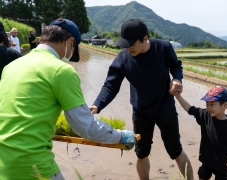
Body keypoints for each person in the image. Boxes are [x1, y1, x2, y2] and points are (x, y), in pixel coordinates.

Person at [0, 18, 135, 180]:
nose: (70, 57)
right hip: (33, 166)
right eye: (73, 49)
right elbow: (86, 127)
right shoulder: (61, 71)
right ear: (70, 42)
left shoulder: (12, 66)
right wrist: (121, 136)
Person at [90, 18, 194, 180]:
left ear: (145, 39)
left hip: (165, 108)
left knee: (175, 150)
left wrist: (177, 79)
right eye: (125, 44)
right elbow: (111, 85)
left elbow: (176, 65)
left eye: (132, 44)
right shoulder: (123, 58)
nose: (127, 48)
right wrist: (97, 105)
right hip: (141, 112)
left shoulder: (163, 48)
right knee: (141, 152)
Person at [175, 85, 227, 180]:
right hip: (207, 160)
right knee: (202, 175)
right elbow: (189, 109)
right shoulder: (205, 116)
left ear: (225, 105)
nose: (209, 108)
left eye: (212, 104)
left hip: (223, 163)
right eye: (207, 104)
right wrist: (178, 96)